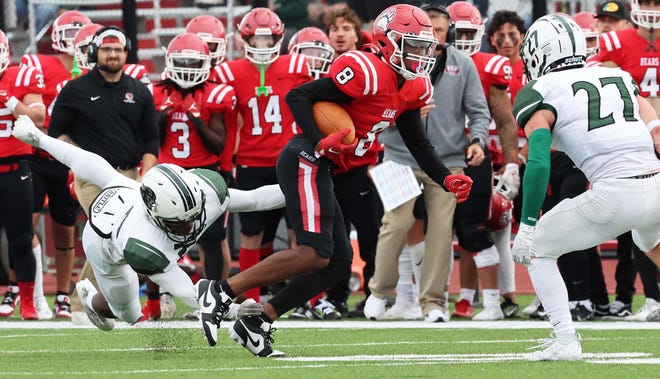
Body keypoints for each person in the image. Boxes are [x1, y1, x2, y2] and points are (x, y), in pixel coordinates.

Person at [195, 4, 472, 357]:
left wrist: (446, 180)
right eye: (411, 45)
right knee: (313, 253)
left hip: (322, 166)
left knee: (338, 264)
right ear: (388, 43)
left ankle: (258, 321)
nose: (420, 55)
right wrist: (317, 138)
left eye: (423, 46)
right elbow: (299, 96)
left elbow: (418, 142)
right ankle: (220, 291)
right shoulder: (366, 71)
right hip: (305, 158)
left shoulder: (412, 87)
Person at [10, 115, 284, 330]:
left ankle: (104, 295)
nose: (190, 226)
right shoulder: (142, 240)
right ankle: (92, 299)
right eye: (179, 223)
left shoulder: (205, 193)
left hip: (126, 203)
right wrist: (234, 310)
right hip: (104, 241)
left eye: (193, 215)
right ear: (156, 215)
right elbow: (188, 293)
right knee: (128, 313)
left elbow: (256, 199)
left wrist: (308, 189)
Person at [512, 13, 660, 361]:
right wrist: (654, 127)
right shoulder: (617, 75)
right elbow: (650, 119)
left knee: (538, 250)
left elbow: (538, 161)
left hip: (615, 193)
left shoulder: (539, 90)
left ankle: (565, 339)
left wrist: (528, 223)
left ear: (538, 53)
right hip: (656, 186)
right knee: (648, 241)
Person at [364, 2, 488, 323]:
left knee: (441, 230)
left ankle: (433, 302)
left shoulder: (463, 64)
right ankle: (379, 291)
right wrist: (399, 118)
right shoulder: (388, 65)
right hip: (397, 154)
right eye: (422, 31)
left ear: (449, 33)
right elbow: (369, 112)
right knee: (396, 223)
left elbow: (478, 110)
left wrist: (478, 140)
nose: (429, 36)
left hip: (446, 159)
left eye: (437, 30)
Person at [47, 26, 160, 323]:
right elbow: (56, 132)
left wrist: (142, 176)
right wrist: (77, 159)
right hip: (91, 178)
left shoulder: (138, 91)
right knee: (109, 231)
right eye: (107, 49)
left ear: (126, 52)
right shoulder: (76, 89)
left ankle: (93, 302)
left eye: (118, 49)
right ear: (95, 52)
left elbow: (151, 140)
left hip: (129, 175)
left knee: (114, 239)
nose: (112, 54)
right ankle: (83, 305)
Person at [209, 7, 313, 303]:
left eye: (268, 40)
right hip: (251, 162)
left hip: (290, 159)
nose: (262, 46)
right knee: (251, 234)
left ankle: (302, 298)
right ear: (245, 39)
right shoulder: (229, 72)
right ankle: (250, 296)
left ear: (279, 38)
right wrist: (227, 163)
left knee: (300, 233)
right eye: (256, 39)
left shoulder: (297, 66)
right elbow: (230, 125)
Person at [150, 32, 237, 318]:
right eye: (182, 60)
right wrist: (162, 116)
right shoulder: (158, 91)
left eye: (193, 61)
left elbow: (218, 144)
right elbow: (151, 139)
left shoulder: (216, 92)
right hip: (168, 174)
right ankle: (159, 298)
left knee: (211, 238)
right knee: (159, 239)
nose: (187, 66)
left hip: (204, 173)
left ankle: (210, 298)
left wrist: (195, 117)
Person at [447, 0, 522, 320]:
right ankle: (425, 297)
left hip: (482, 157)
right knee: (430, 230)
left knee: (483, 228)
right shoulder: (427, 61)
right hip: (440, 154)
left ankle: (501, 298)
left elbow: (506, 121)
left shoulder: (492, 66)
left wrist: (512, 162)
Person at [17, 10, 92, 320]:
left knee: (64, 232)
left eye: (80, 33)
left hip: (69, 159)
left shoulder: (91, 72)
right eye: (70, 31)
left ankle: (62, 294)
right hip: (36, 155)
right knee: (25, 225)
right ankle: (31, 294)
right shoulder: (38, 64)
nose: (74, 39)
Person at [595, 0, 660, 321]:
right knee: (644, 223)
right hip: (637, 144)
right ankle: (653, 299)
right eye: (646, 1)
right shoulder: (613, 42)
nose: (651, 8)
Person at [0, 29, 46, 320]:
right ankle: (9, 292)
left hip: (16, 168)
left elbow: (38, 117)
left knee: (21, 238)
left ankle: (28, 302)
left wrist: (8, 101)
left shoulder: (20, 76)